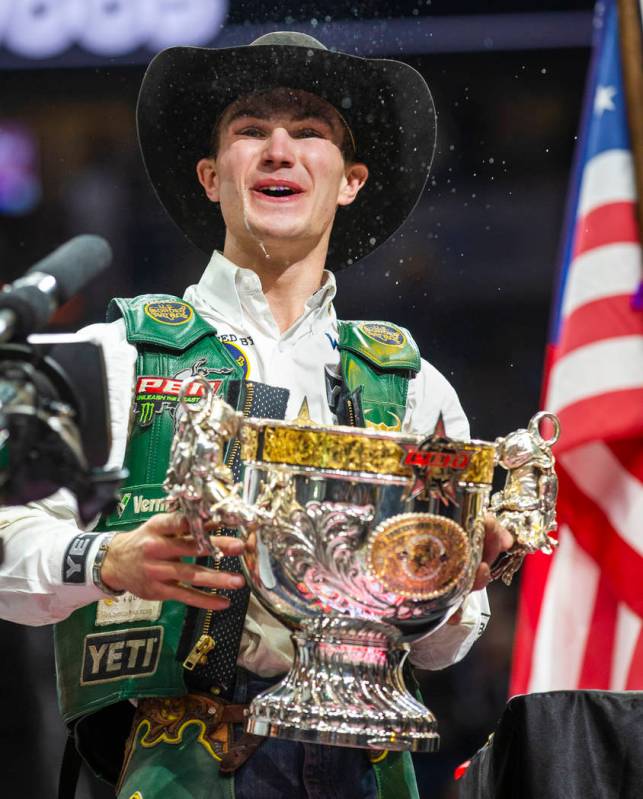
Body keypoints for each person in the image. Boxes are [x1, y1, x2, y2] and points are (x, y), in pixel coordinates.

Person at [0, 32, 512, 799]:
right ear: (211, 176)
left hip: (366, 761)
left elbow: (443, 647)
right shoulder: (117, 354)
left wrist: (442, 580)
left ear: (348, 180)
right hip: (178, 758)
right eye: (250, 130)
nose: (279, 149)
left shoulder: (412, 387)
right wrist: (110, 560)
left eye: (309, 131)